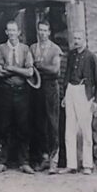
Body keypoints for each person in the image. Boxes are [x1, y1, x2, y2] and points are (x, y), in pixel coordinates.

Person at [0, 19, 38, 171]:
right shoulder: (0, 48)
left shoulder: (25, 49)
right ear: (6, 32)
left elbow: (30, 72)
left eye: (14, 30)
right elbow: (0, 72)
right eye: (9, 30)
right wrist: (20, 70)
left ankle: (24, 162)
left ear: (19, 32)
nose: (12, 33)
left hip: (22, 92)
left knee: (23, 126)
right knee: (4, 126)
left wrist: (11, 68)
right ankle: (2, 161)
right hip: (5, 91)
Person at [62, 31, 97, 174]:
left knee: (86, 129)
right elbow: (67, 74)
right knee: (70, 129)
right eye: (75, 39)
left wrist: (96, 101)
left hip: (84, 92)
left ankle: (87, 165)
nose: (76, 41)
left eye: (79, 38)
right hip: (71, 91)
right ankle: (71, 164)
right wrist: (65, 94)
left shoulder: (91, 57)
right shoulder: (71, 55)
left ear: (84, 40)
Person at [32, 18, 67, 172]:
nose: (43, 33)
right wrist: (39, 69)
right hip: (37, 87)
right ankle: (44, 157)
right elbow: (28, 68)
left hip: (51, 88)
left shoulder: (55, 49)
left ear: (49, 32)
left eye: (45, 30)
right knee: (39, 123)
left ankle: (54, 159)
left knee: (53, 124)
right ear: (38, 31)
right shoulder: (33, 48)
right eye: (40, 30)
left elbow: (55, 71)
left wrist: (39, 66)